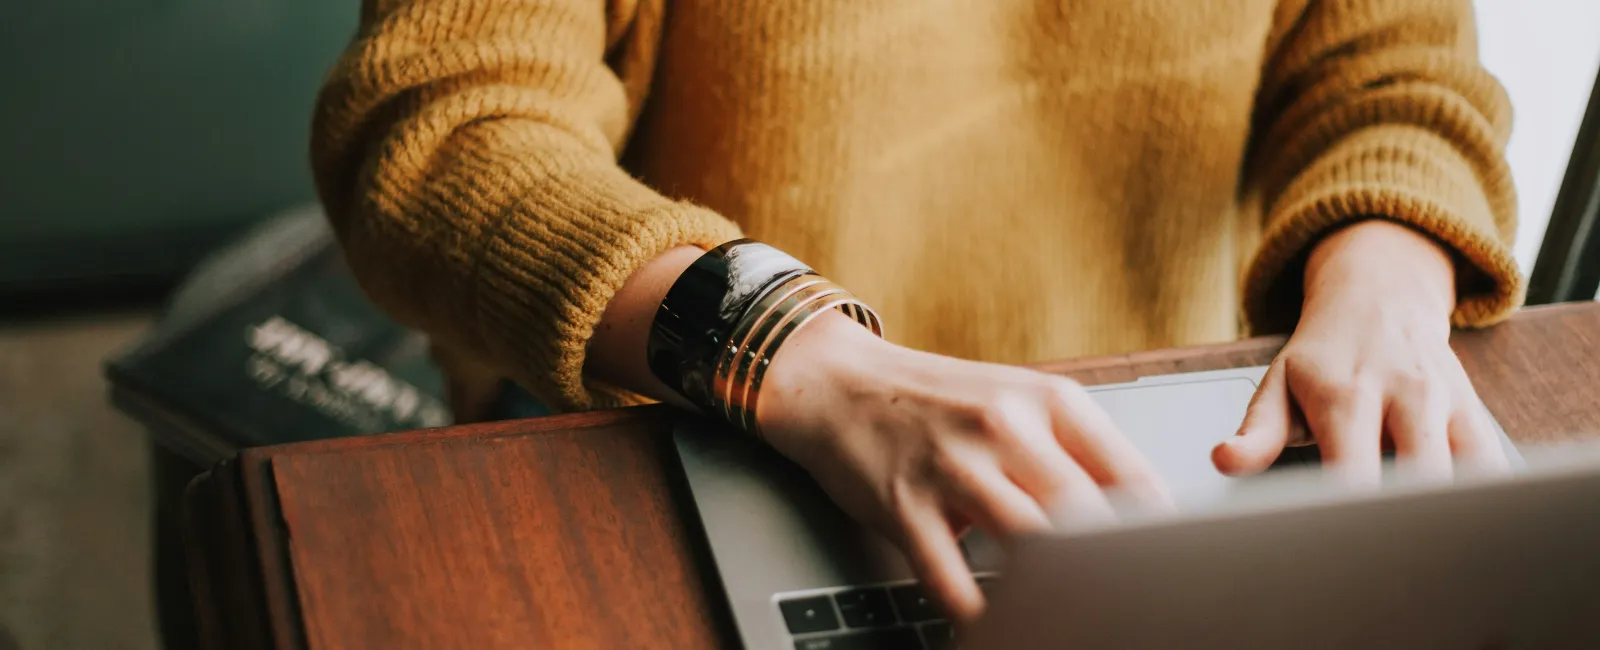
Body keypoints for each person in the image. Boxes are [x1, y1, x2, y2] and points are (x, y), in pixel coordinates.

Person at [311, 0, 1522, 623]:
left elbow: (1396, 74)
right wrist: (788, 348)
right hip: (686, 424)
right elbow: (439, 125)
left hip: (1150, 463)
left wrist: (1388, 273)